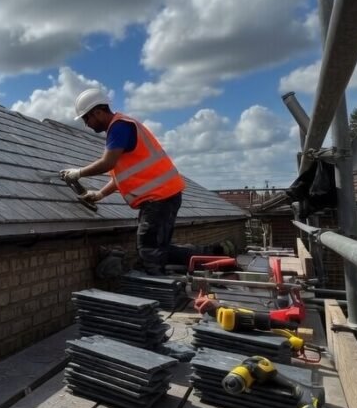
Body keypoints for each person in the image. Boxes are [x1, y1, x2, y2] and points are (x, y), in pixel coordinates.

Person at [60, 88, 231, 274]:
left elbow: (106, 163)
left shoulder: (119, 127)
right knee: (156, 249)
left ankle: (160, 285)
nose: (87, 124)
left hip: (159, 198)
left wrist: (78, 173)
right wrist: (100, 194)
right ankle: (215, 256)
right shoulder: (123, 126)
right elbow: (123, 176)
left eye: (87, 119)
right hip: (164, 195)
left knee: (148, 250)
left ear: (98, 112)